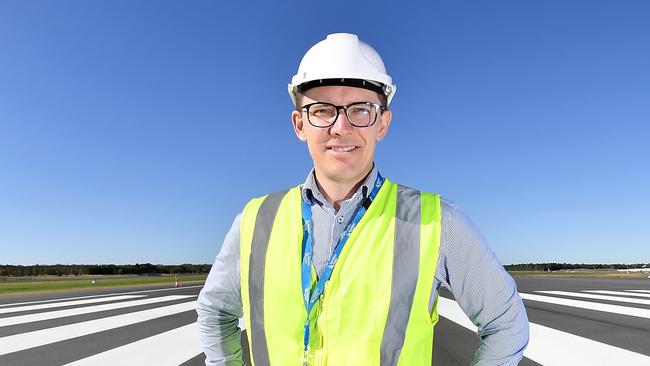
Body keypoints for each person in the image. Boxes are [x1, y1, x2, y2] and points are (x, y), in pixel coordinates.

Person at [197, 33, 529, 365]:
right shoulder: (255, 221)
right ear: (300, 124)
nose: (341, 127)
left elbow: (506, 323)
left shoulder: (439, 222)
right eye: (323, 110)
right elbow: (215, 313)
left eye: (360, 110)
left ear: (382, 123)